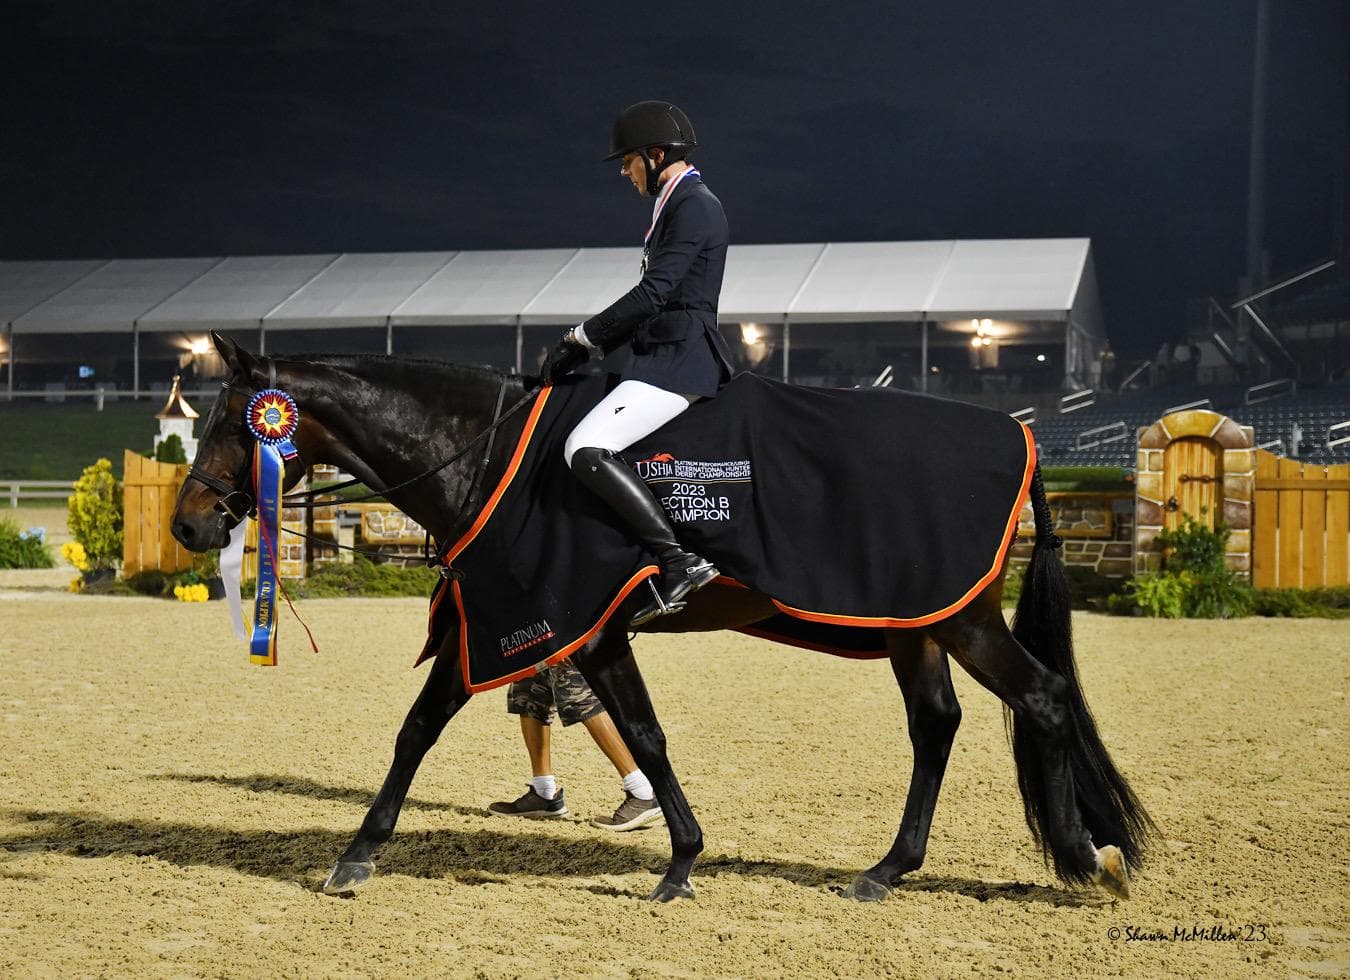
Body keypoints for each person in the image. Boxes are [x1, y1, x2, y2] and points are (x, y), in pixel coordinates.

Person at [541, 100, 737, 626]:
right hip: (659, 353)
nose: (626, 174)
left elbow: (654, 293)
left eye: (628, 163)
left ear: (655, 155)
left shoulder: (694, 204)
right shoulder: (674, 205)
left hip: (680, 359)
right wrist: (590, 351)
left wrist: (581, 337)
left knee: (586, 446)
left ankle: (679, 561)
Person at [489, 658, 663, 831]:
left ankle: (642, 792)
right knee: (529, 689)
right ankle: (543, 793)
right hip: (538, 633)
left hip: (566, 634)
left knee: (576, 691)